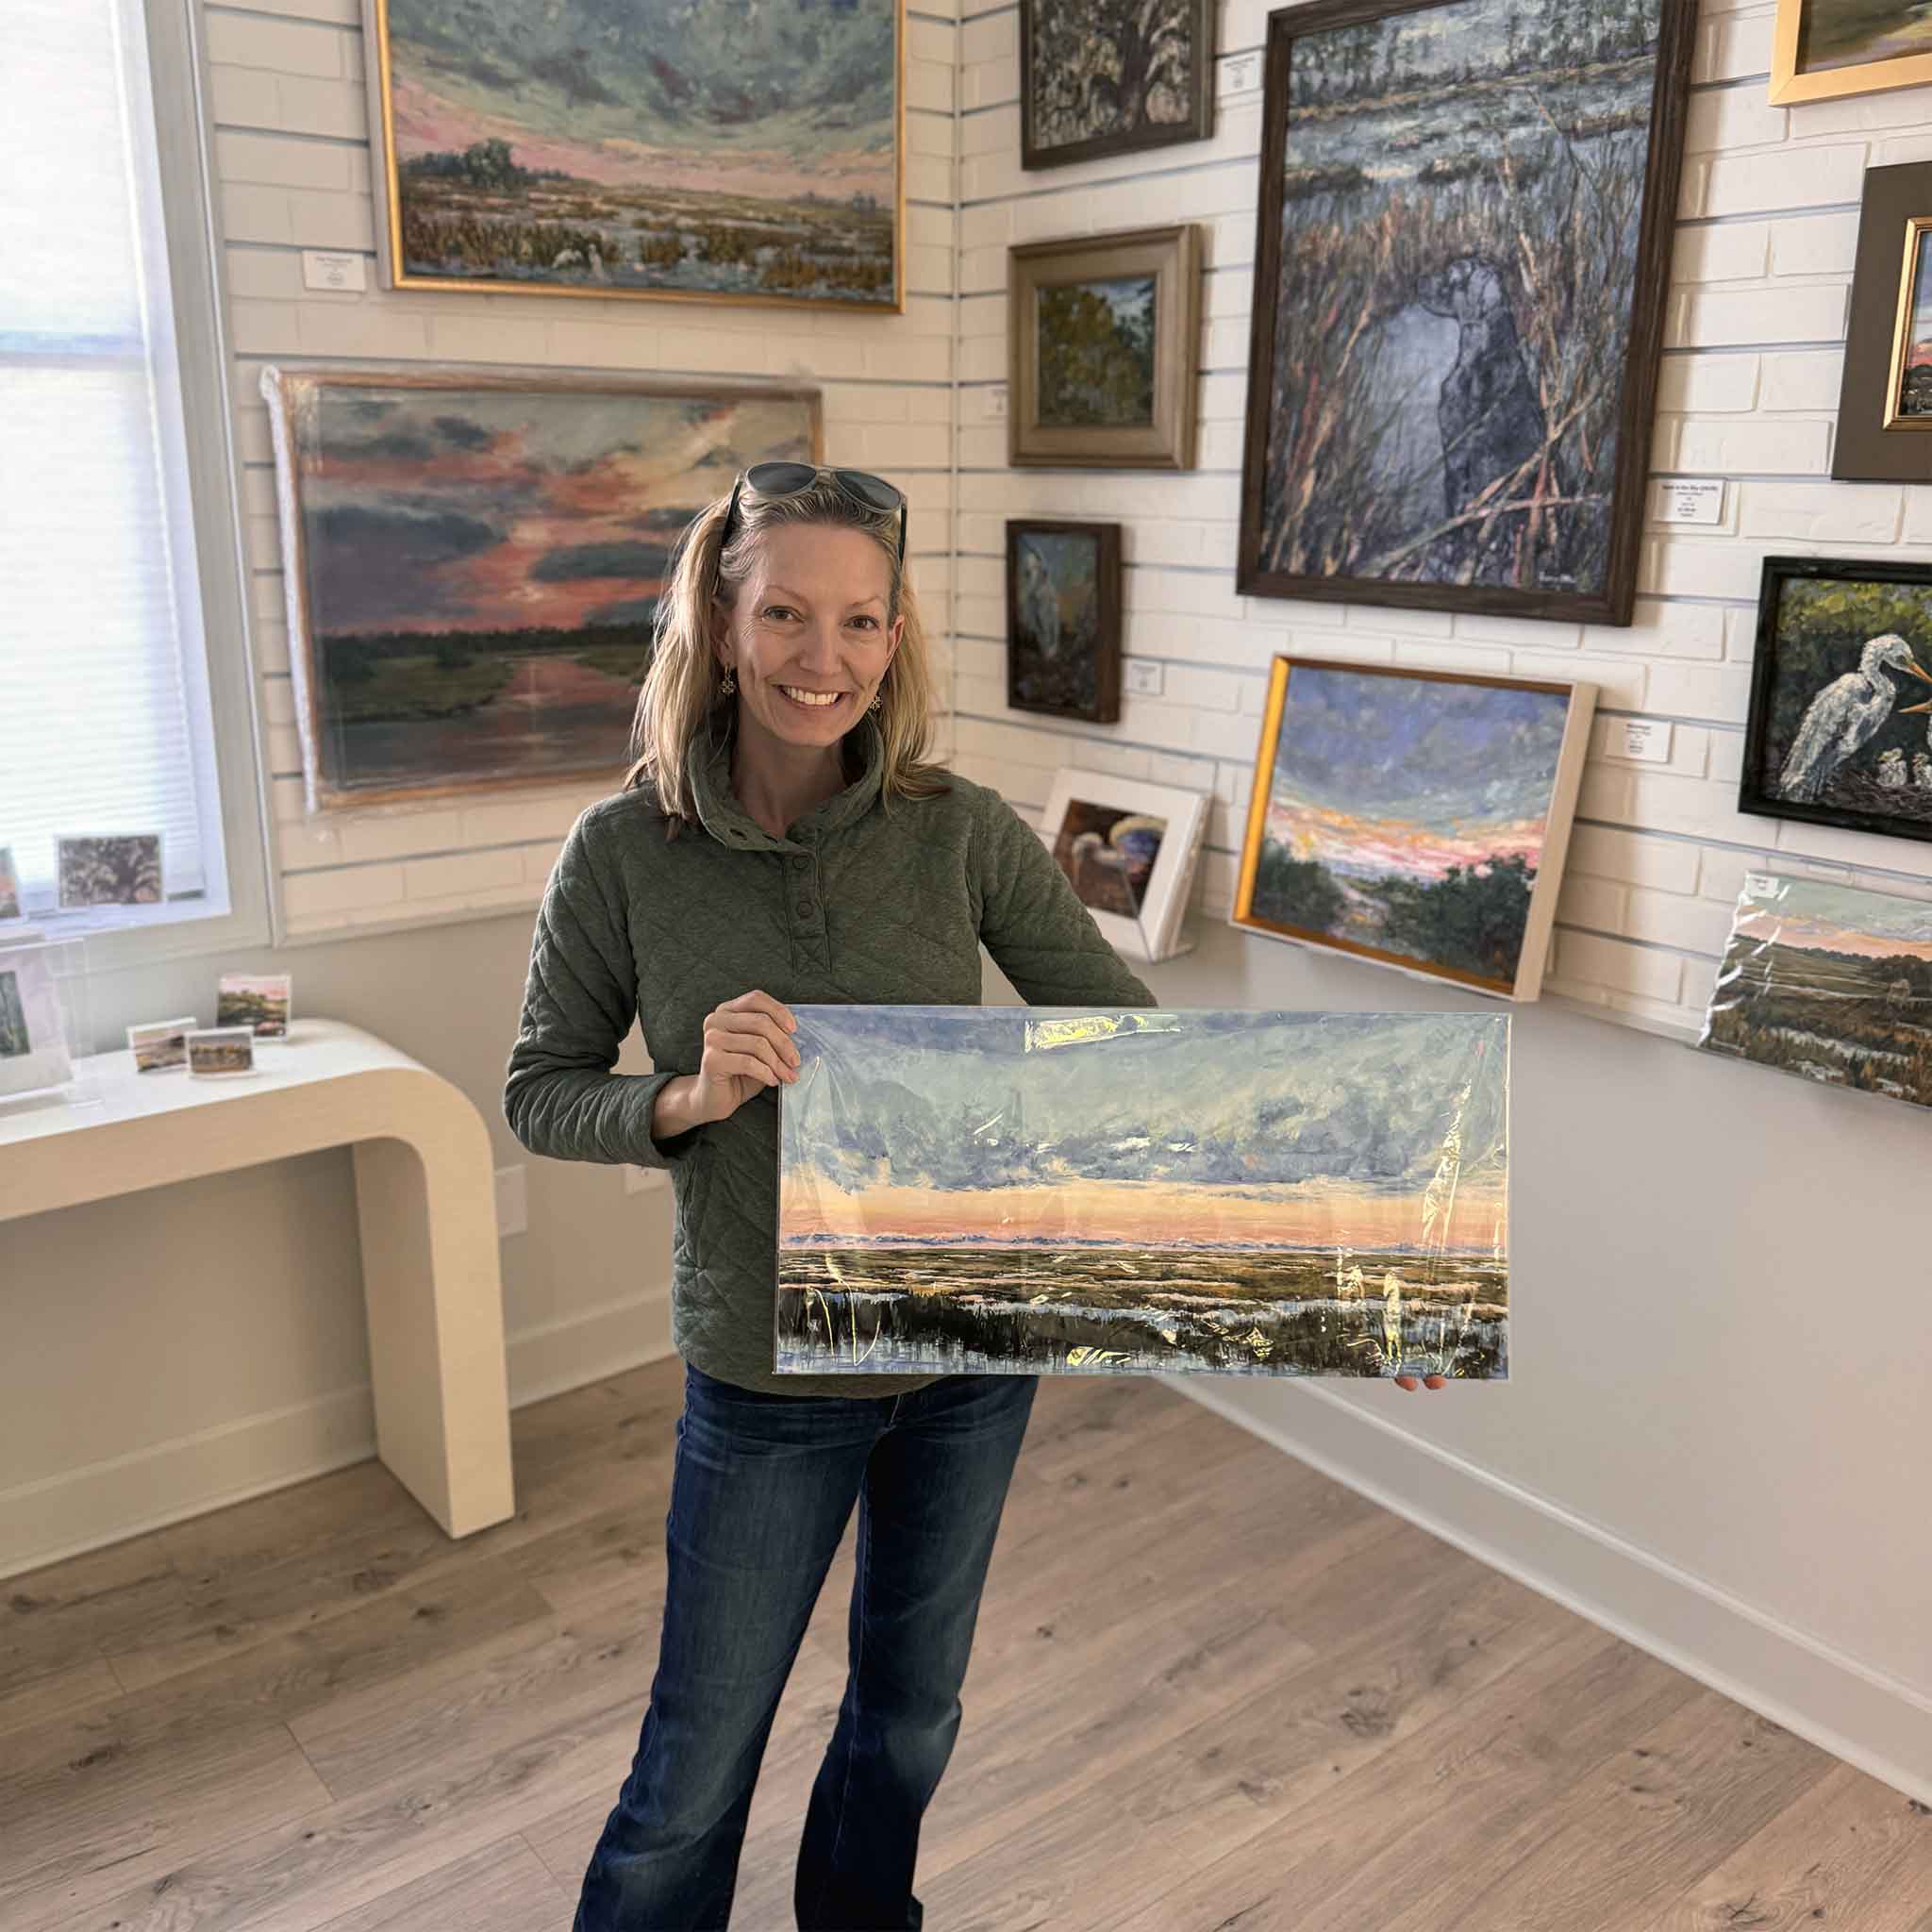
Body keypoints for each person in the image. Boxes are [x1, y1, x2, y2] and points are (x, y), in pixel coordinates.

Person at [501, 461, 1442, 1932]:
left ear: (898, 638)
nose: (828, 660)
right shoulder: (626, 853)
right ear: (723, 623)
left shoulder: (959, 831)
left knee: (912, 1718)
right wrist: (683, 1096)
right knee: (694, 1768)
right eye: (789, 617)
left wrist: (1353, 1259)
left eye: (864, 623)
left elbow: (1130, 1054)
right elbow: (541, 1088)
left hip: (961, 1363)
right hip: (763, 1377)